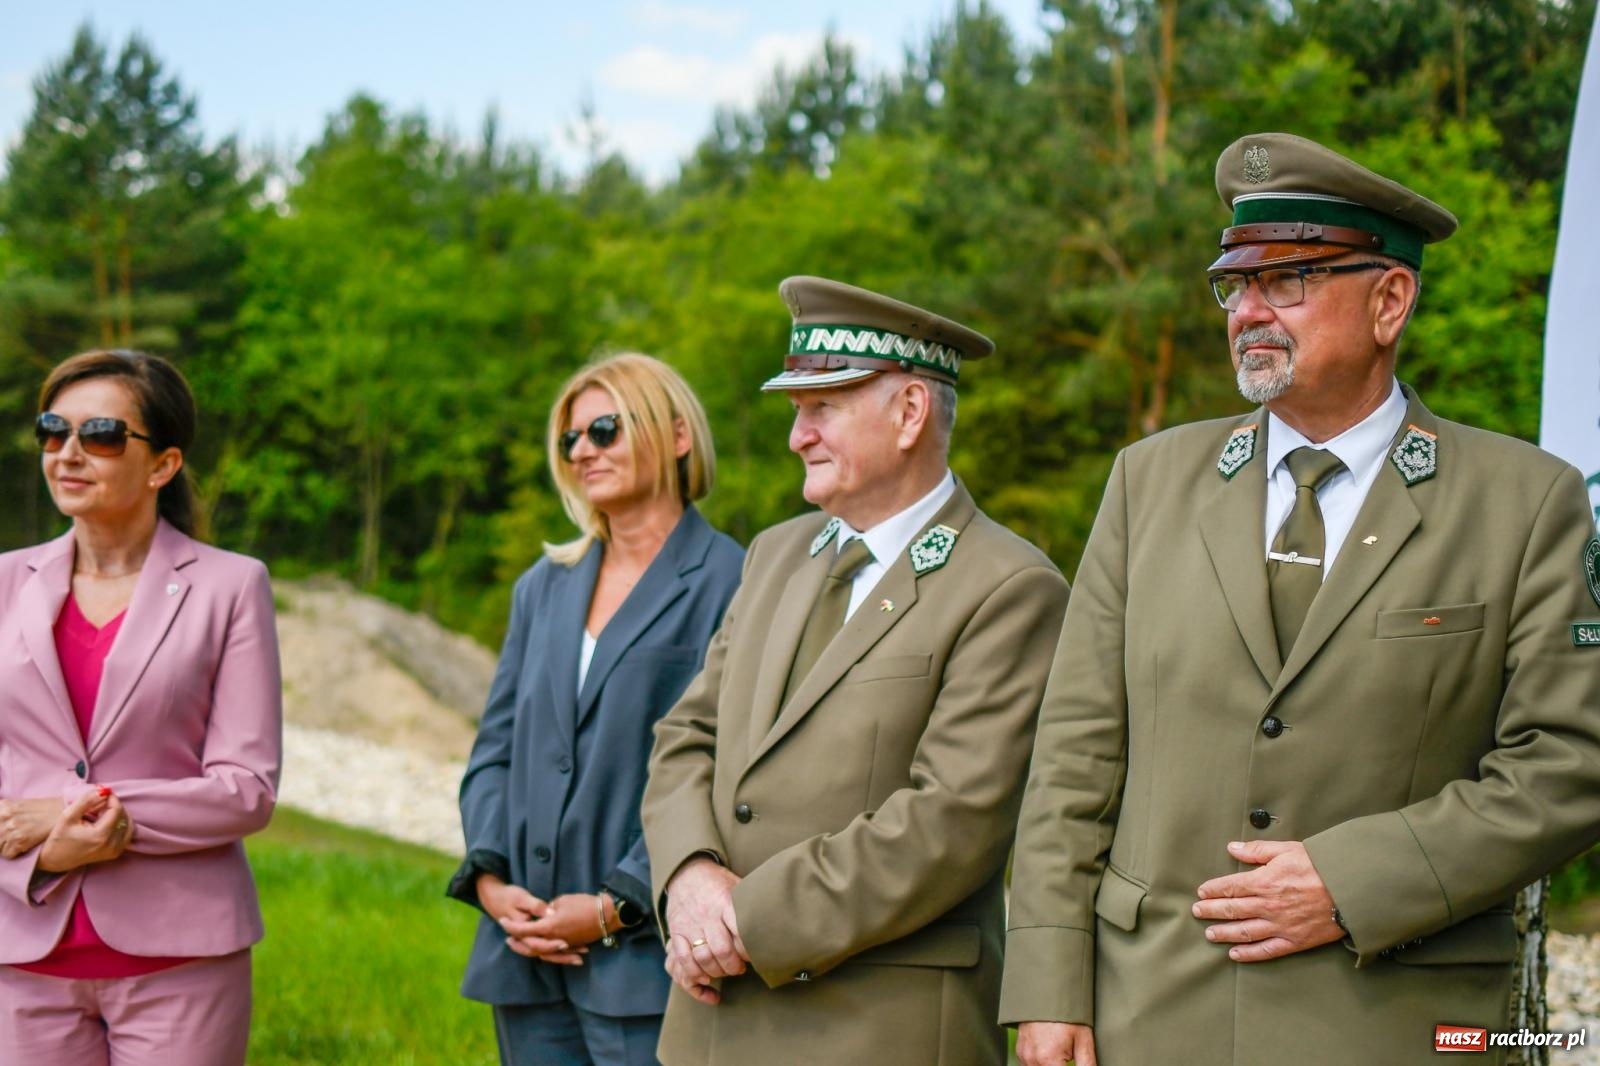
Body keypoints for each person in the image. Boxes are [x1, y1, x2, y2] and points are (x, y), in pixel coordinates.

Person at [1002, 132, 1600, 1065]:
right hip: (1152, 1018)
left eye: (1287, 282)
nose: (1248, 312)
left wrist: (1353, 879)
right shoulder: (1147, 482)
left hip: (1396, 1027)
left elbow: (1569, 764)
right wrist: (1046, 991)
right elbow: (1073, 760)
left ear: (1390, 300)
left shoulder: (1524, 502)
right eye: (1233, 285)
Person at [641, 276, 1070, 1066]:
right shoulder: (776, 553)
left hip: (878, 1029)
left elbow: (950, 823)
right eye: (796, 411)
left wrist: (744, 923)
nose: (796, 437)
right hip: (711, 1022)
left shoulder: (1009, 586)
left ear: (909, 414)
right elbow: (685, 736)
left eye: (822, 408)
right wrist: (690, 877)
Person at [449, 352, 743, 1066]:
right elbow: (496, 749)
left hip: (648, 965)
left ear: (676, 436)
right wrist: (491, 883)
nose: (583, 450)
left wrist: (615, 908)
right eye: (570, 439)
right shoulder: (543, 586)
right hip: (525, 958)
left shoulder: (735, 580)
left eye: (605, 429)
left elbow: (728, 772)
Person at [0, 349, 282, 1066]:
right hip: (19, 960)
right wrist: (48, 842)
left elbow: (245, 791)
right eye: (51, 432)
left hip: (182, 964)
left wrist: (76, 810)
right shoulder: (1, 584)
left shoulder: (232, 586)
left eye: (98, 435)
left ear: (162, 464)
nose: (67, 454)